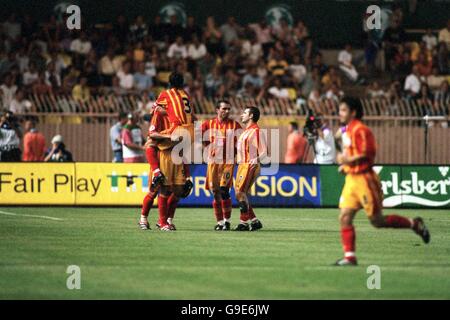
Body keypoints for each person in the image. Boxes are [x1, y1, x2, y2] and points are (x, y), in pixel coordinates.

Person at [334, 97, 430, 266]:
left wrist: (347, 160)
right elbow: (347, 148)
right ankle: (350, 257)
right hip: (351, 180)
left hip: (365, 180)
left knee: (377, 221)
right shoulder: (347, 131)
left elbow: (367, 153)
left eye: (343, 110)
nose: (339, 113)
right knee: (344, 217)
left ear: (353, 112)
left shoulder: (362, 130)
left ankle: (414, 224)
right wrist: (346, 165)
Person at [201, 100, 242, 231]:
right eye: (224, 109)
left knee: (224, 190)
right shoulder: (208, 124)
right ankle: (220, 222)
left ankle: (227, 221)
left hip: (228, 162)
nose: (227, 111)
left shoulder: (235, 125)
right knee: (215, 192)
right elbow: (201, 137)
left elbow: (241, 142)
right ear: (217, 110)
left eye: (229, 109)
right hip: (213, 162)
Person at [234, 107, 265, 231]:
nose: (242, 115)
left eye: (245, 113)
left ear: (251, 116)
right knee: (241, 194)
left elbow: (264, 151)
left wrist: (255, 159)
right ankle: (254, 221)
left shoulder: (256, 131)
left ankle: (244, 223)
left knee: (239, 192)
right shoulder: (246, 131)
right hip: (242, 166)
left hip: (250, 165)